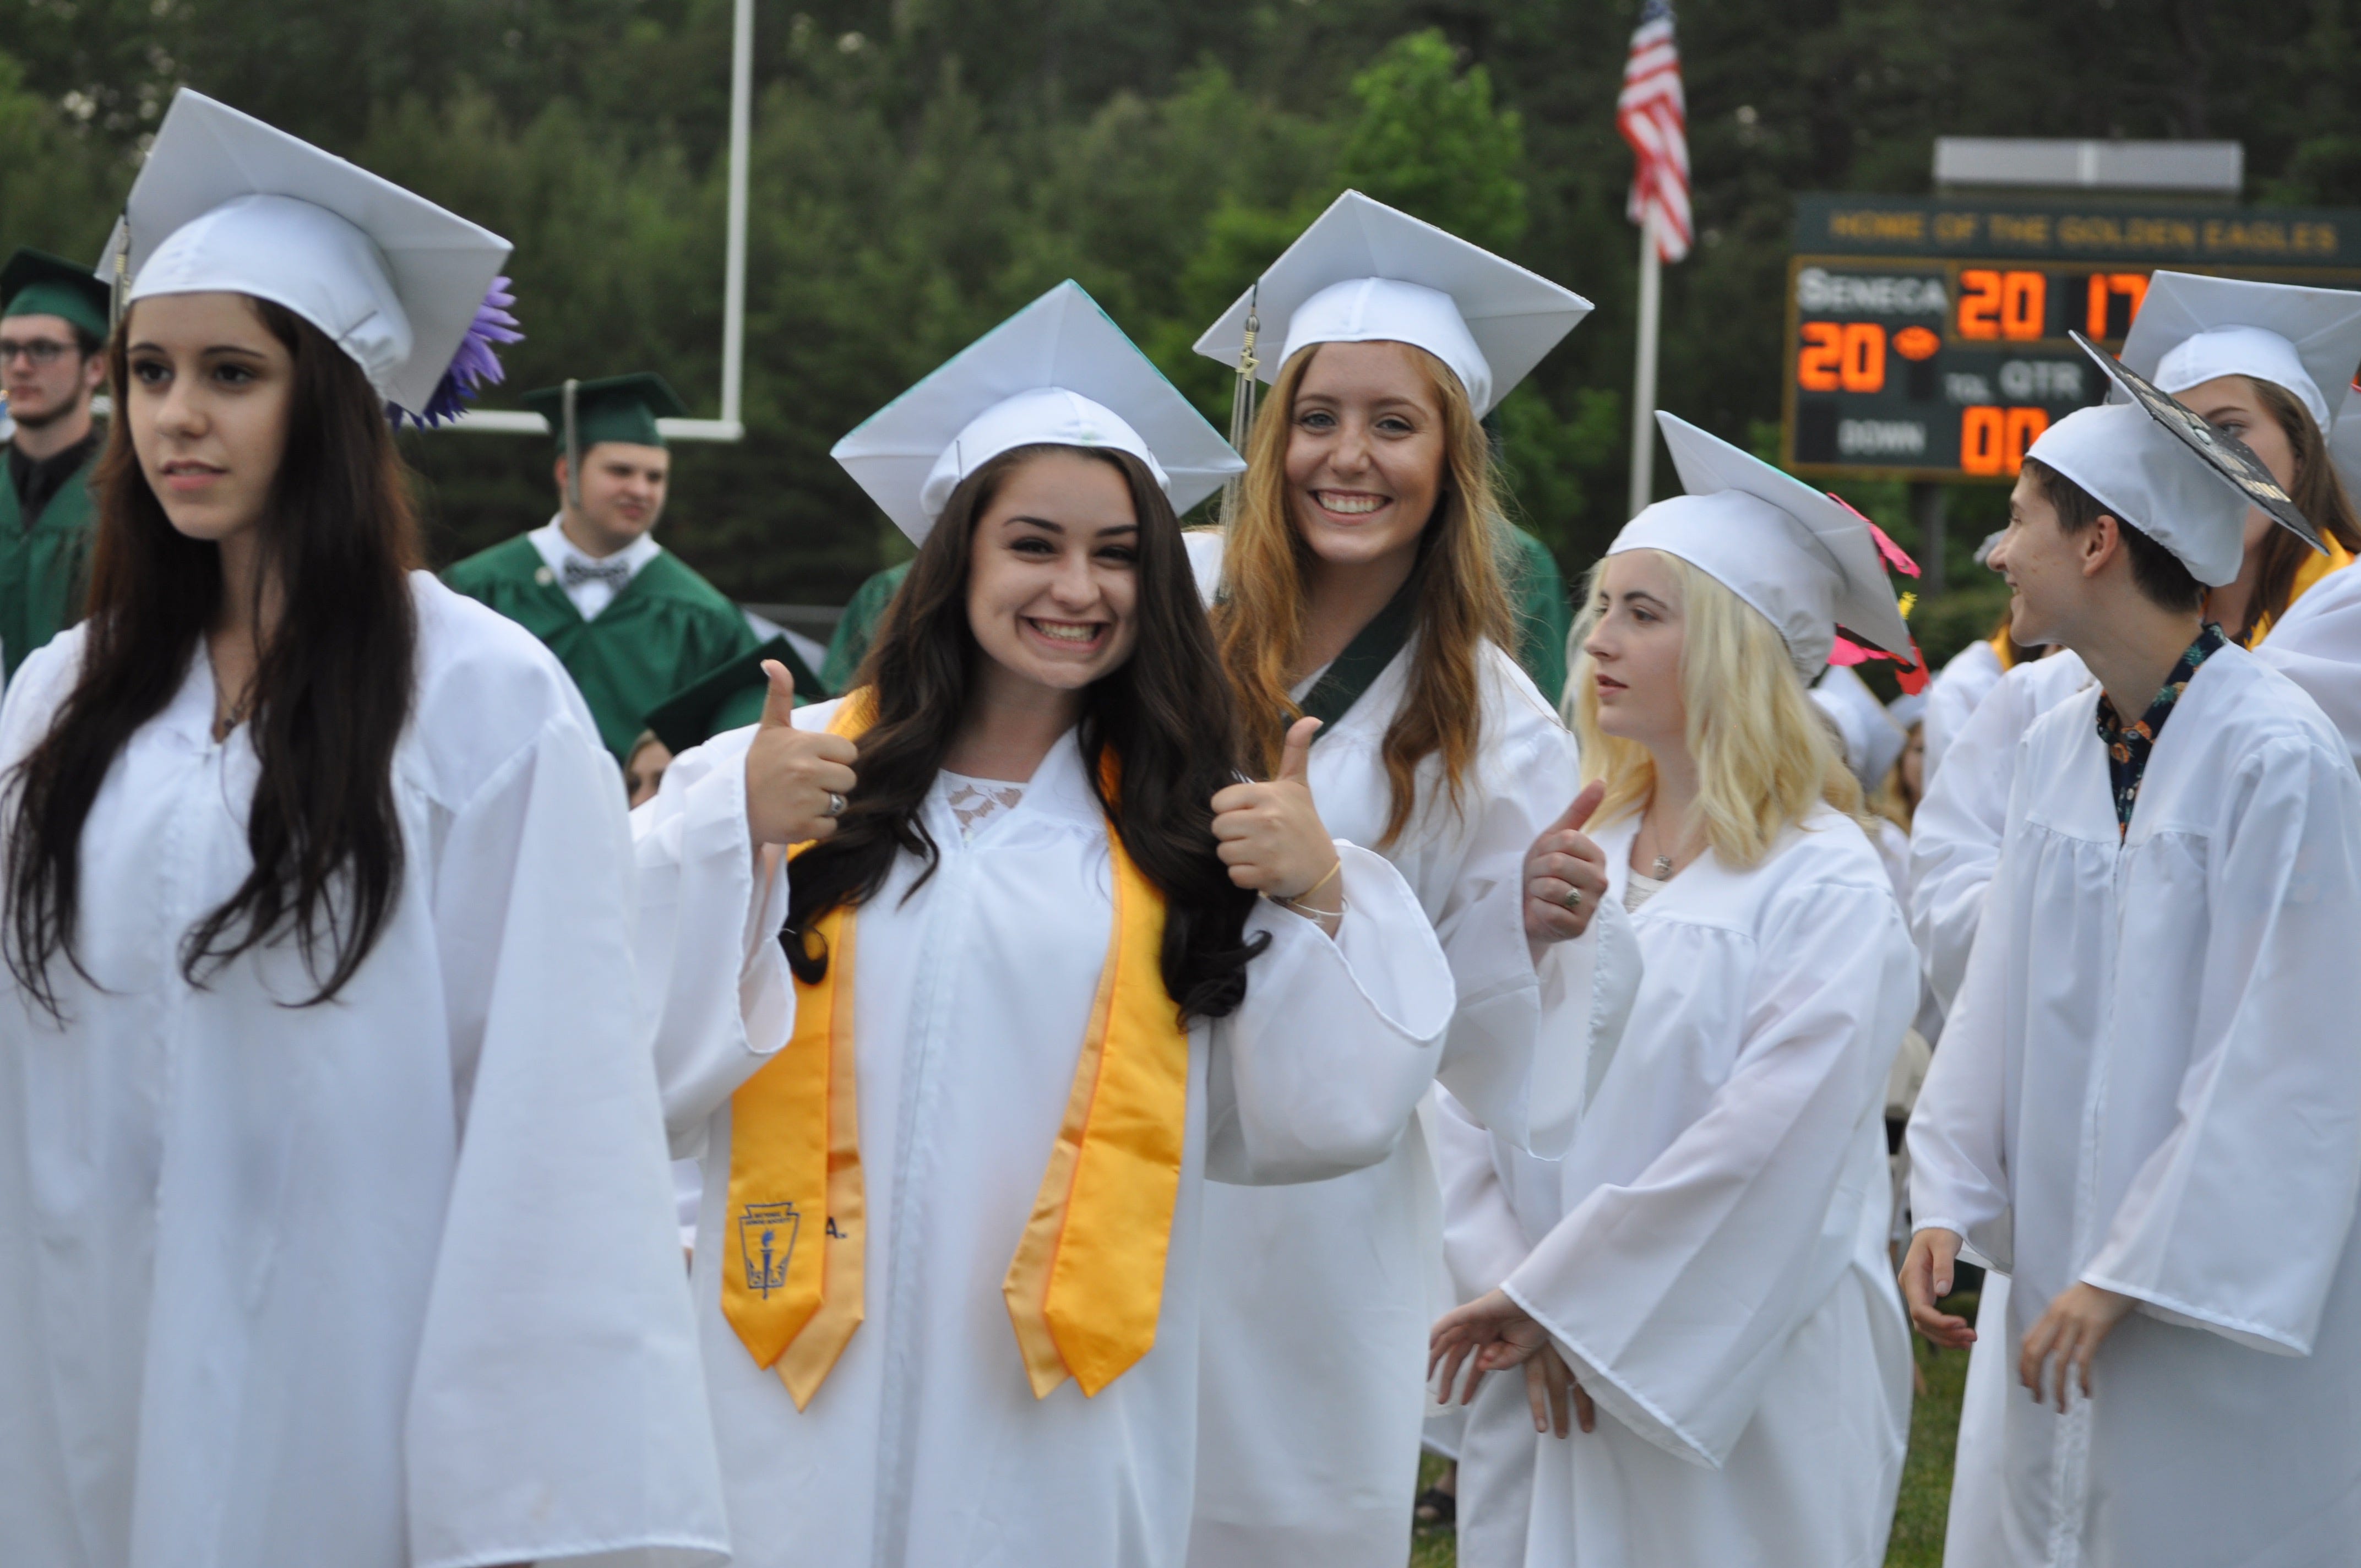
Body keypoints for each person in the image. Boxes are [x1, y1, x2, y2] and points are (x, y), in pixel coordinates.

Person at [0, 89, 725, 1568]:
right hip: (74, 1340)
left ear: (326, 399)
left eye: (232, 373)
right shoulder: (62, 697)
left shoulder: (479, 703)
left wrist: (529, 1481)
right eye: (148, 371)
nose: (176, 415)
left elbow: (548, 1110)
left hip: (342, 1351)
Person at [633, 278, 1462, 1568]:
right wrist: (721, 830)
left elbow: (1318, 1110)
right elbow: (618, 1032)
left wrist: (1325, 892)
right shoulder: (792, 786)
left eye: (1119, 552)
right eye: (1032, 543)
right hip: (784, 1388)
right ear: (955, 556)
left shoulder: (1186, 830)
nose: (1078, 587)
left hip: (1056, 1409)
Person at [1177, 190, 1634, 1568]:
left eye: (1394, 422)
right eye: (1316, 417)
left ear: (1450, 457)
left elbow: (1495, 1040)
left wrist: (1546, 927)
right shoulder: (1167, 611)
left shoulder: (1495, 712)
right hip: (1105, 1129)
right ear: (1270, 440)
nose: (1347, 455)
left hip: (1318, 1203)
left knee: (1280, 1518)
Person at [1428, 411, 1919, 1568]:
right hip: (1535, 1357)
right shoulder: (1573, 843)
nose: (1595, 637)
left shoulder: (1821, 884)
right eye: (1601, 605)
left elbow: (1766, 1147)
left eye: (1640, 612)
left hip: (1733, 1384)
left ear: (1736, 650)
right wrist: (1512, 1284)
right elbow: (1462, 1091)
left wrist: (1570, 1304)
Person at [1902, 398, 2361, 1566]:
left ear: (2097, 540)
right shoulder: (2057, 742)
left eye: (2017, 521)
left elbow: (2285, 1046)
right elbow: (1998, 985)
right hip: (2066, 1253)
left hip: (2205, 1291)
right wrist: (1946, 1184)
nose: (1998, 551)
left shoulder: (2275, 754)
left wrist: (2132, 1267)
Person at [444, 371, 759, 759]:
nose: (641, 491)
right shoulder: (479, 589)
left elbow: (742, 732)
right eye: (621, 471)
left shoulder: (704, 617)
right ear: (566, 472)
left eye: (656, 477)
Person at [0, 248, 112, 679]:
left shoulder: (130, 500)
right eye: (8, 350)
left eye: (44, 349)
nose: (21, 367)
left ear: (95, 367)